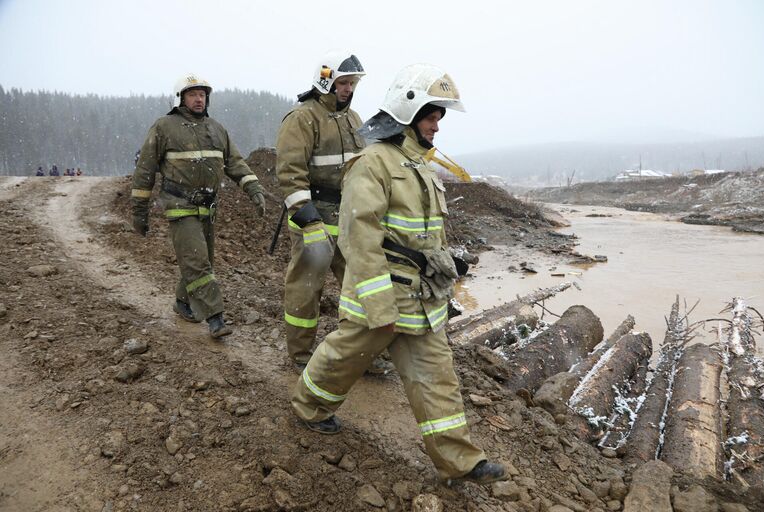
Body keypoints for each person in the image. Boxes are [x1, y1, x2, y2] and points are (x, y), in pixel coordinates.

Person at [291, 64, 509, 484]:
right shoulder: (372, 163)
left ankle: (461, 460)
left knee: (437, 376)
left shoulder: (419, 167)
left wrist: (445, 264)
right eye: (432, 117)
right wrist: (377, 303)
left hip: (422, 300)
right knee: (343, 360)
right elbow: (359, 237)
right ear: (408, 113)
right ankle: (308, 407)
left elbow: (422, 235)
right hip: (383, 297)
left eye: (439, 118)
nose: (437, 126)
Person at [130, 74, 266, 339]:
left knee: (201, 262)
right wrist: (139, 211)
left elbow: (235, 163)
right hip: (180, 207)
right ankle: (215, 318)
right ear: (180, 98)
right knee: (199, 263)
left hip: (208, 208)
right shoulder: (164, 127)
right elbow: (145, 170)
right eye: (192, 94)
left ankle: (183, 302)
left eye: (202, 94)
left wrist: (254, 189)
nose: (199, 99)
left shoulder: (216, 129)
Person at [275, 50, 368, 366]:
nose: (348, 89)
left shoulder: (353, 119)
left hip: (348, 218)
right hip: (315, 218)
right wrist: (307, 218)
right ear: (326, 81)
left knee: (359, 287)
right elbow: (290, 172)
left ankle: (363, 354)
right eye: (343, 82)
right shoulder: (303, 118)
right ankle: (300, 355)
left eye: (352, 83)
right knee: (305, 289)